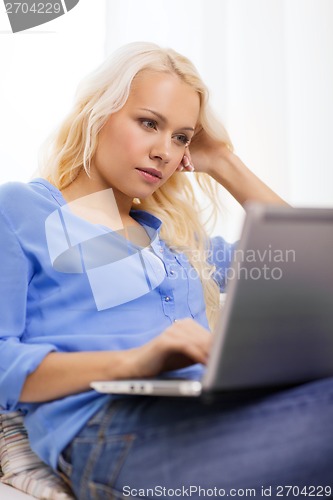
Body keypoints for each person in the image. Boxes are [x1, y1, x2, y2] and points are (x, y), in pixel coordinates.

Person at [0, 41, 332, 499]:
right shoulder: (22, 210)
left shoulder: (178, 241)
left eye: (180, 138)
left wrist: (223, 162)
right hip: (111, 433)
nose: (164, 151)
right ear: (97, 114)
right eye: (149, 123)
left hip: (207, 413)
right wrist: (132, 363)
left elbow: (308, 265)